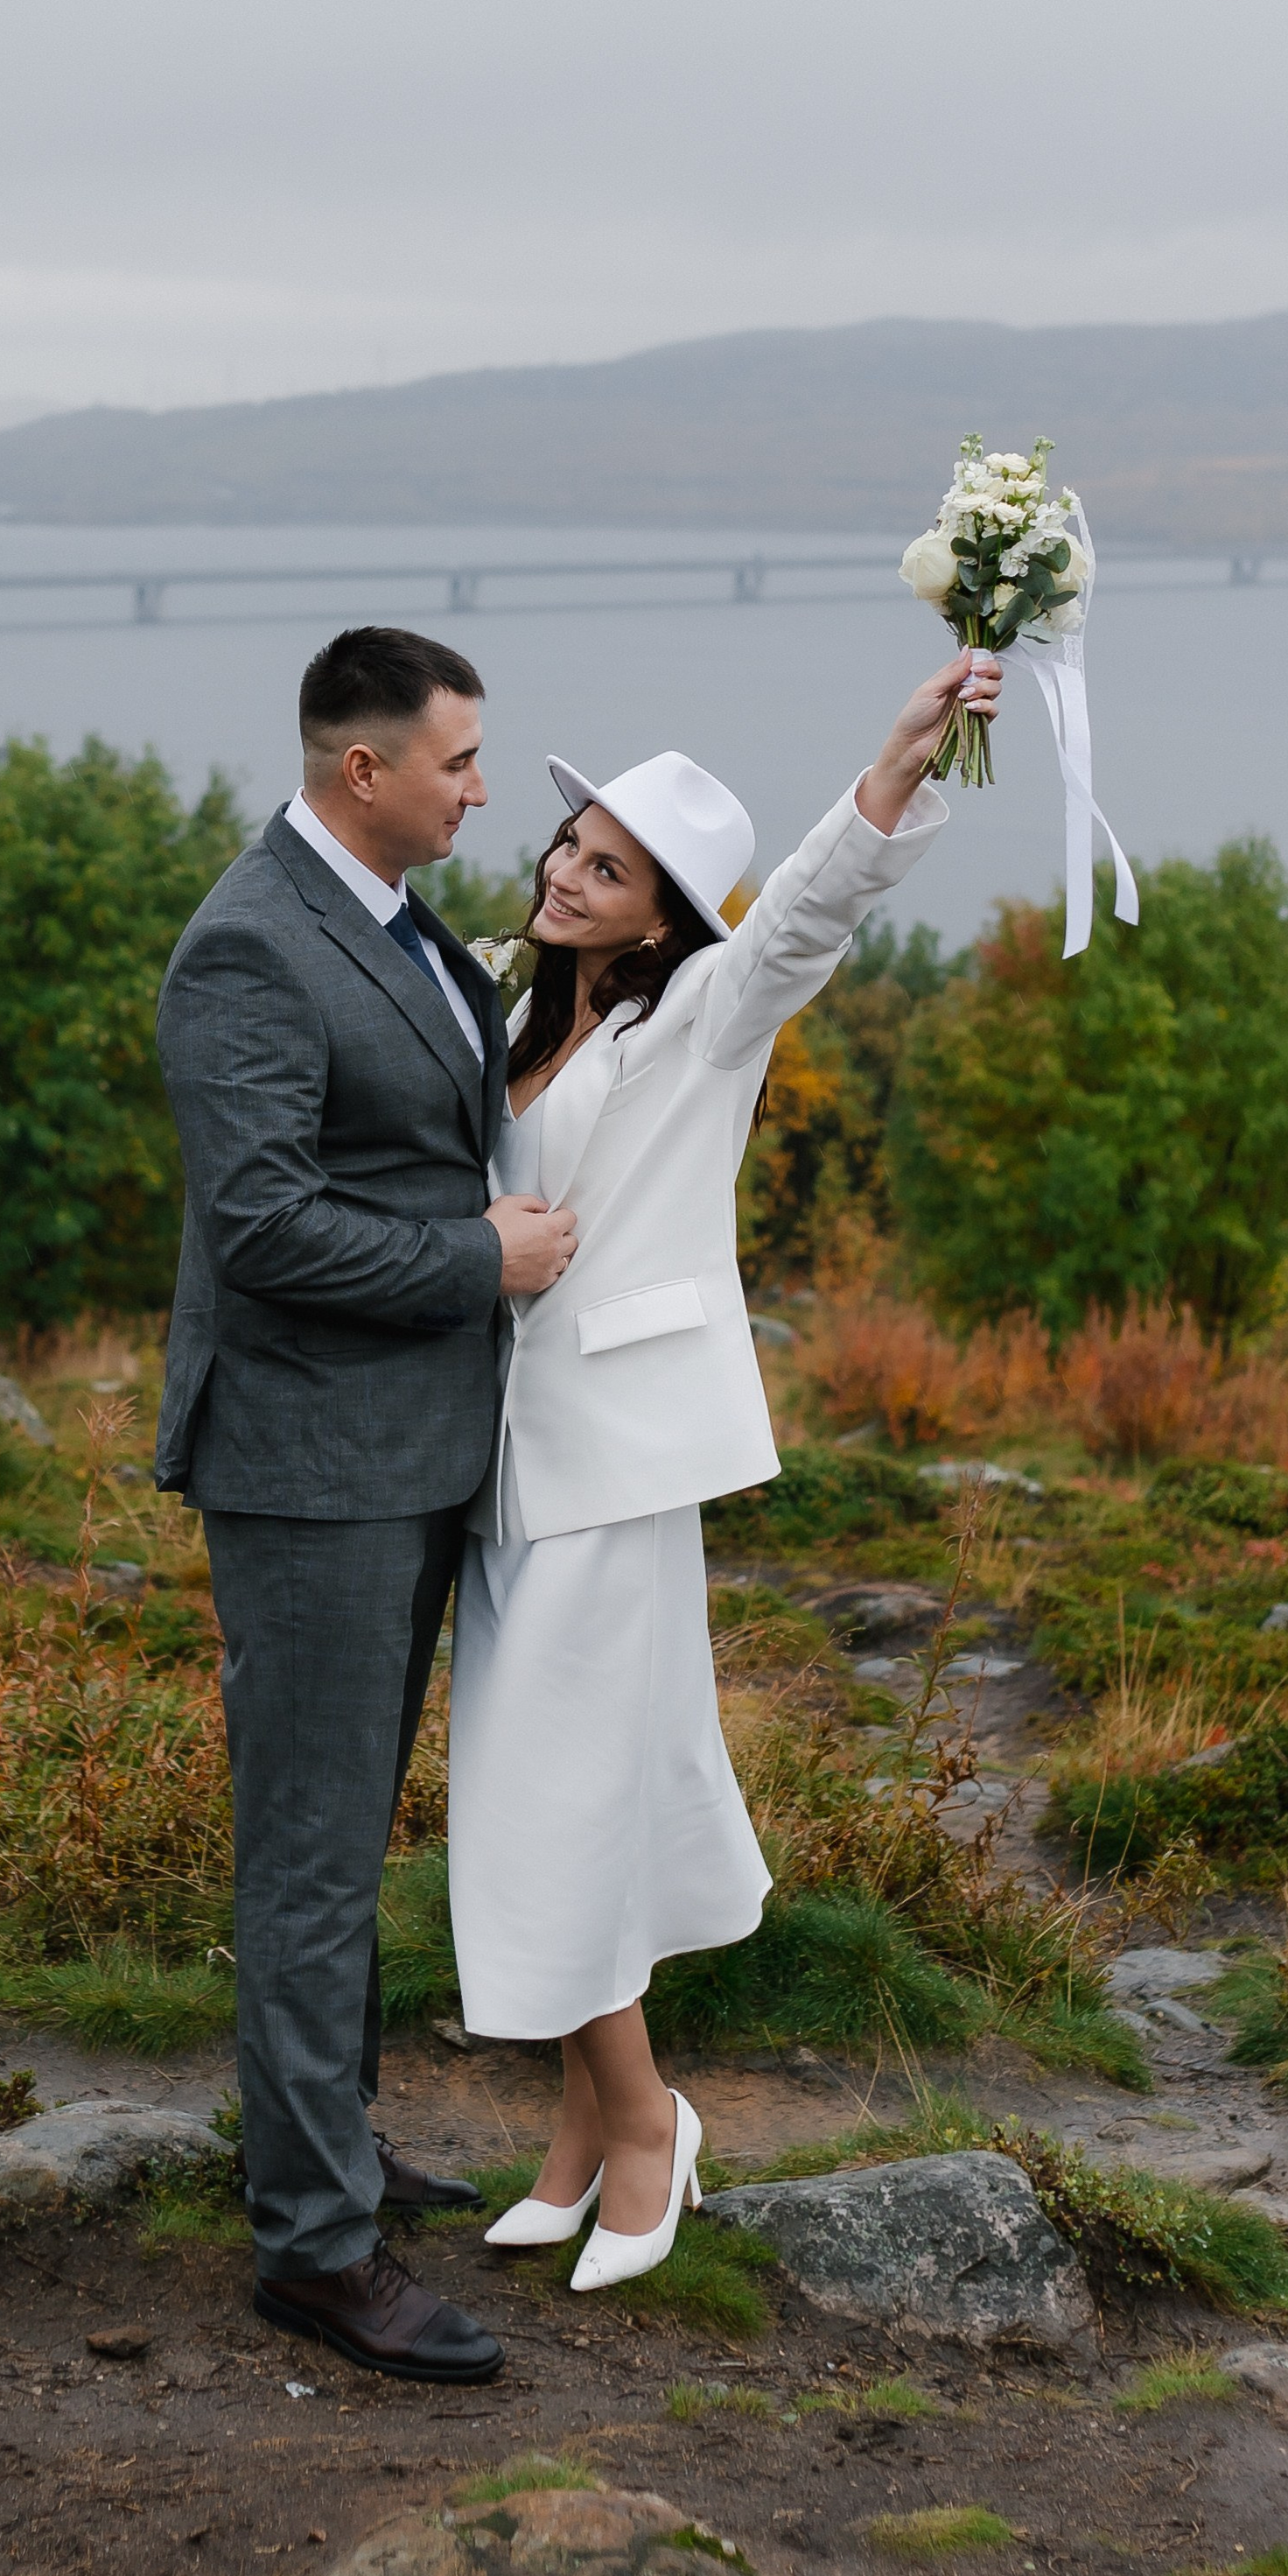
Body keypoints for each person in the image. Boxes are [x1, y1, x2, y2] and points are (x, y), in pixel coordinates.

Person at [448, 646, 1000, 2289]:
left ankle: (641, 2127)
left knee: (550, 1806)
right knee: (557, 1799)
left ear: (665, 917)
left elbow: (808, 916)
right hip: (500, 1466)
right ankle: (572, 2130)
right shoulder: (510, 1015)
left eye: (606, 868)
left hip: (612, 1464)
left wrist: (897, 757)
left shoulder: (702, 1014)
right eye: (567, 844)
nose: (564, 871)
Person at [155, 626, 576, 2387]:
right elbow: (263, 1229)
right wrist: (479, 1258)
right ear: (364, 772)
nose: (488, 790)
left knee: (347, 1839)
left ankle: (326, 2138)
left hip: (398, 1453)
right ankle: (317, 2248)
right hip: (310, 1466)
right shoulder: (252, 946)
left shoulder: (388, 917)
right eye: (462, 761)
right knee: (314, 1864)